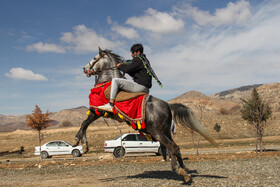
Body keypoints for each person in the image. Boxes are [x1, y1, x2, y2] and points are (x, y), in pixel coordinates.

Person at [98, 43, 162, 112]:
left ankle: (110, 104)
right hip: (145, 88)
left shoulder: (138, 59)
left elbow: (128, 69)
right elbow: (131, 70)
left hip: (140, 87)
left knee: (115, 80)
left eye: (132, 53)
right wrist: (123, 66)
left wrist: (120, 66)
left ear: (138, 52)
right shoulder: (144, 60)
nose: (131, 55)